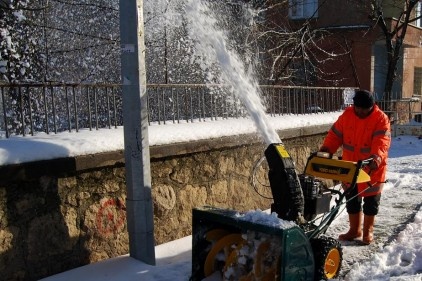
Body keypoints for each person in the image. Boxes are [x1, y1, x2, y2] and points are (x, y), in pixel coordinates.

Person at [319, 89, 391, 244]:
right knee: (352, 200)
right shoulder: (347, 115)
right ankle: (354, 230)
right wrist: (327, 150)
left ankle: (368, 232)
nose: (360, 111)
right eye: (357, 107)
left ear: (371, 106)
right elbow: (335, 135)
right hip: (350, 166)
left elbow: (382, 142)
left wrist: (376, 158)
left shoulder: (381, 119)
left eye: (363, 109)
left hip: (372, 168)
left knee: (371, 202)